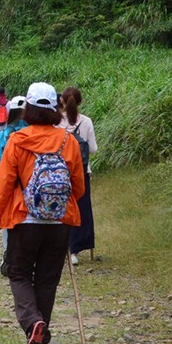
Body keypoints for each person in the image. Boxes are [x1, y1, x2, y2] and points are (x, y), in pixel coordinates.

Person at [0, 82, 85, 344]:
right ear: (55, 108)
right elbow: (78, 187)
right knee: (47, 279)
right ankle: (39, 335)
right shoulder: (69, 141)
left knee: (18, 273)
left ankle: (33, 323)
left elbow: (4, 183)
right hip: (60, 222)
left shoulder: (18, 140)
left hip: (24, 220)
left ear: (28, 108)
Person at [0, 95, 27, 276]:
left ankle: (8, 254)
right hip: (30, 185)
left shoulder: (5, 134)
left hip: (9, 183)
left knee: (9, 219)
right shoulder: (37, 132)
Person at [58, 87, 98, 265]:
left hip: (60, 172)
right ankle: (76, 249)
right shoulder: (87, 121)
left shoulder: (56, 122)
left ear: (62, 101)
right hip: (82, 172)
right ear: (80, 102)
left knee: (61, 208)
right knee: (82, 209)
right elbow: (93, 149)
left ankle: (62, 247)